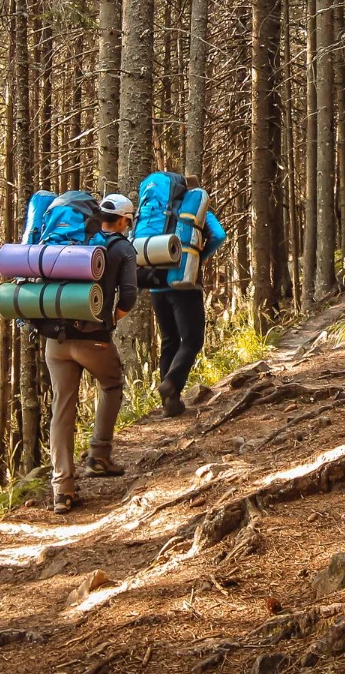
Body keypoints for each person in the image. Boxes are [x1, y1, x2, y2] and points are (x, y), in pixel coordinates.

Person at [45, 193, 139, 515]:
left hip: (55, 341)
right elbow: (128, 297)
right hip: (93, 340)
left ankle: (62, 489)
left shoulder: (73, 245)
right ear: (124, 220)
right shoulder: (122, 248)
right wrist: (109, 318)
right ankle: (98, 455)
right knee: (112, 385)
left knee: (62, 408)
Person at [153, 178, 226, 418]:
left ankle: (171, 403)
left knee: (169, 340)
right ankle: (172, 382)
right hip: (185, 282)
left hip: (155, 285)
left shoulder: (157, 210)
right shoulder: (195, 209)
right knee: (192, 339)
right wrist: (200, 257)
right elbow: (218, 235)